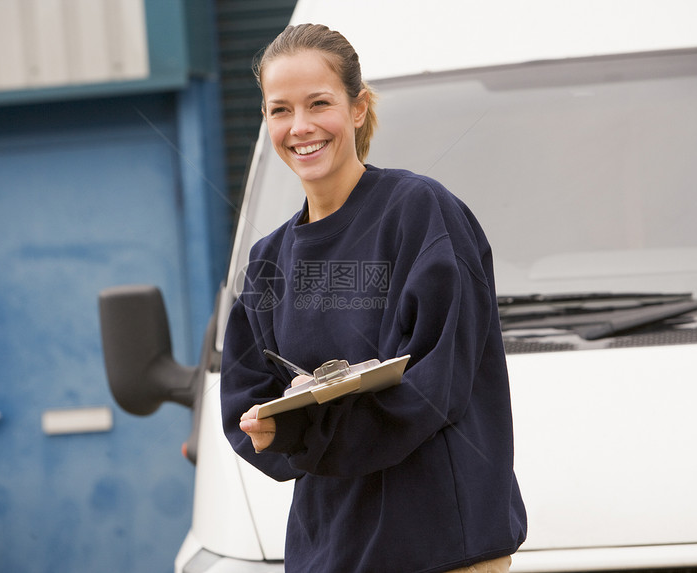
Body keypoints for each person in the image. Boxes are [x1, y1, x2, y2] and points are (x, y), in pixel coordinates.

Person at [220, 23, 527, 573]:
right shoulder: (269, 260)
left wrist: (309, 427)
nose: (301, 127)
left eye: (319, 103)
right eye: (280, 110)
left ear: (358, 108)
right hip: (328, 552)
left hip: (440, 547)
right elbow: (246, 399)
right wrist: (272, 426)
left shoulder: (420, 212)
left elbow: (435, 382)